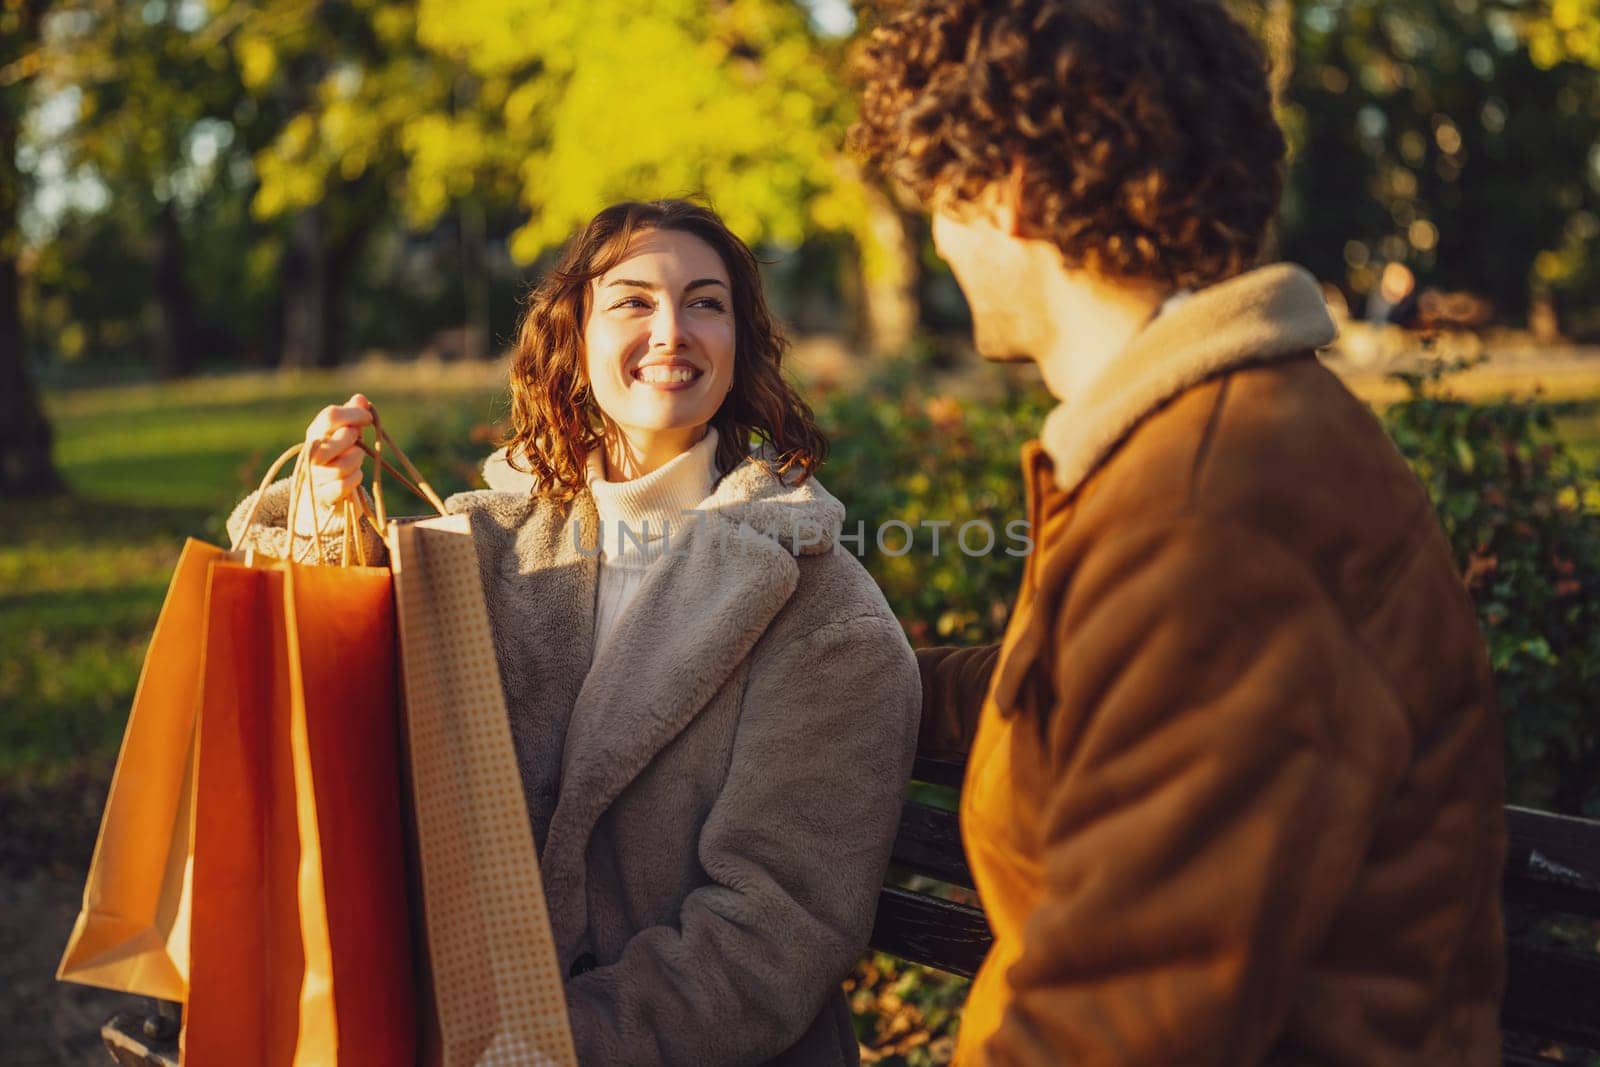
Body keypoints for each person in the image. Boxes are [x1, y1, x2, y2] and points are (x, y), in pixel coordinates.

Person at [850, 2, 1505, 1064]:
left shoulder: (1217, 509)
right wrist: (849, 682)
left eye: (940, 200)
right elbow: (1090, 701)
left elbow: (1119, 1020)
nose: (939, 237)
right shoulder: (1211, 440)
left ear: (1008, 192)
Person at [229, 199, 920, 1066]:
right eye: (633, 300)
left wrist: (551, 1045)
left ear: (739, 341)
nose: (672, 329)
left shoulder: (823, 617)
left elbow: (772, 932)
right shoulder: (495, 548)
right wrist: (331, 518)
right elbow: (346, 706)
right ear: (574, 336)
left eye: (706, 303)